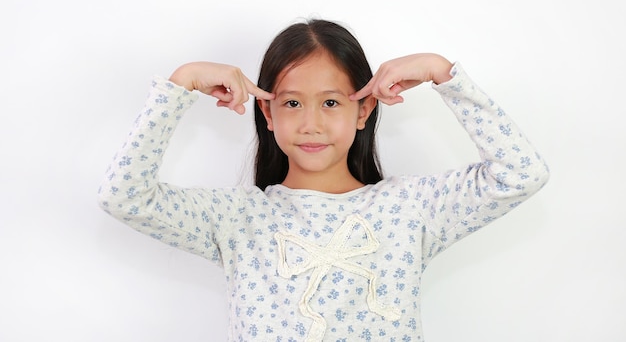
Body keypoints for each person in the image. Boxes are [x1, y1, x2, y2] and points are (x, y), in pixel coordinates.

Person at [98, 19, 550, 341]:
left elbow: (521, 174)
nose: (311, 123)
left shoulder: (409, 209)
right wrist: (182, 84)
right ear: (267, 113)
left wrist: (441, 73)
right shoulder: (238, 218)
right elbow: (124, 197)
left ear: (364, 109)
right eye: (292, 104)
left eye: (331, 103)